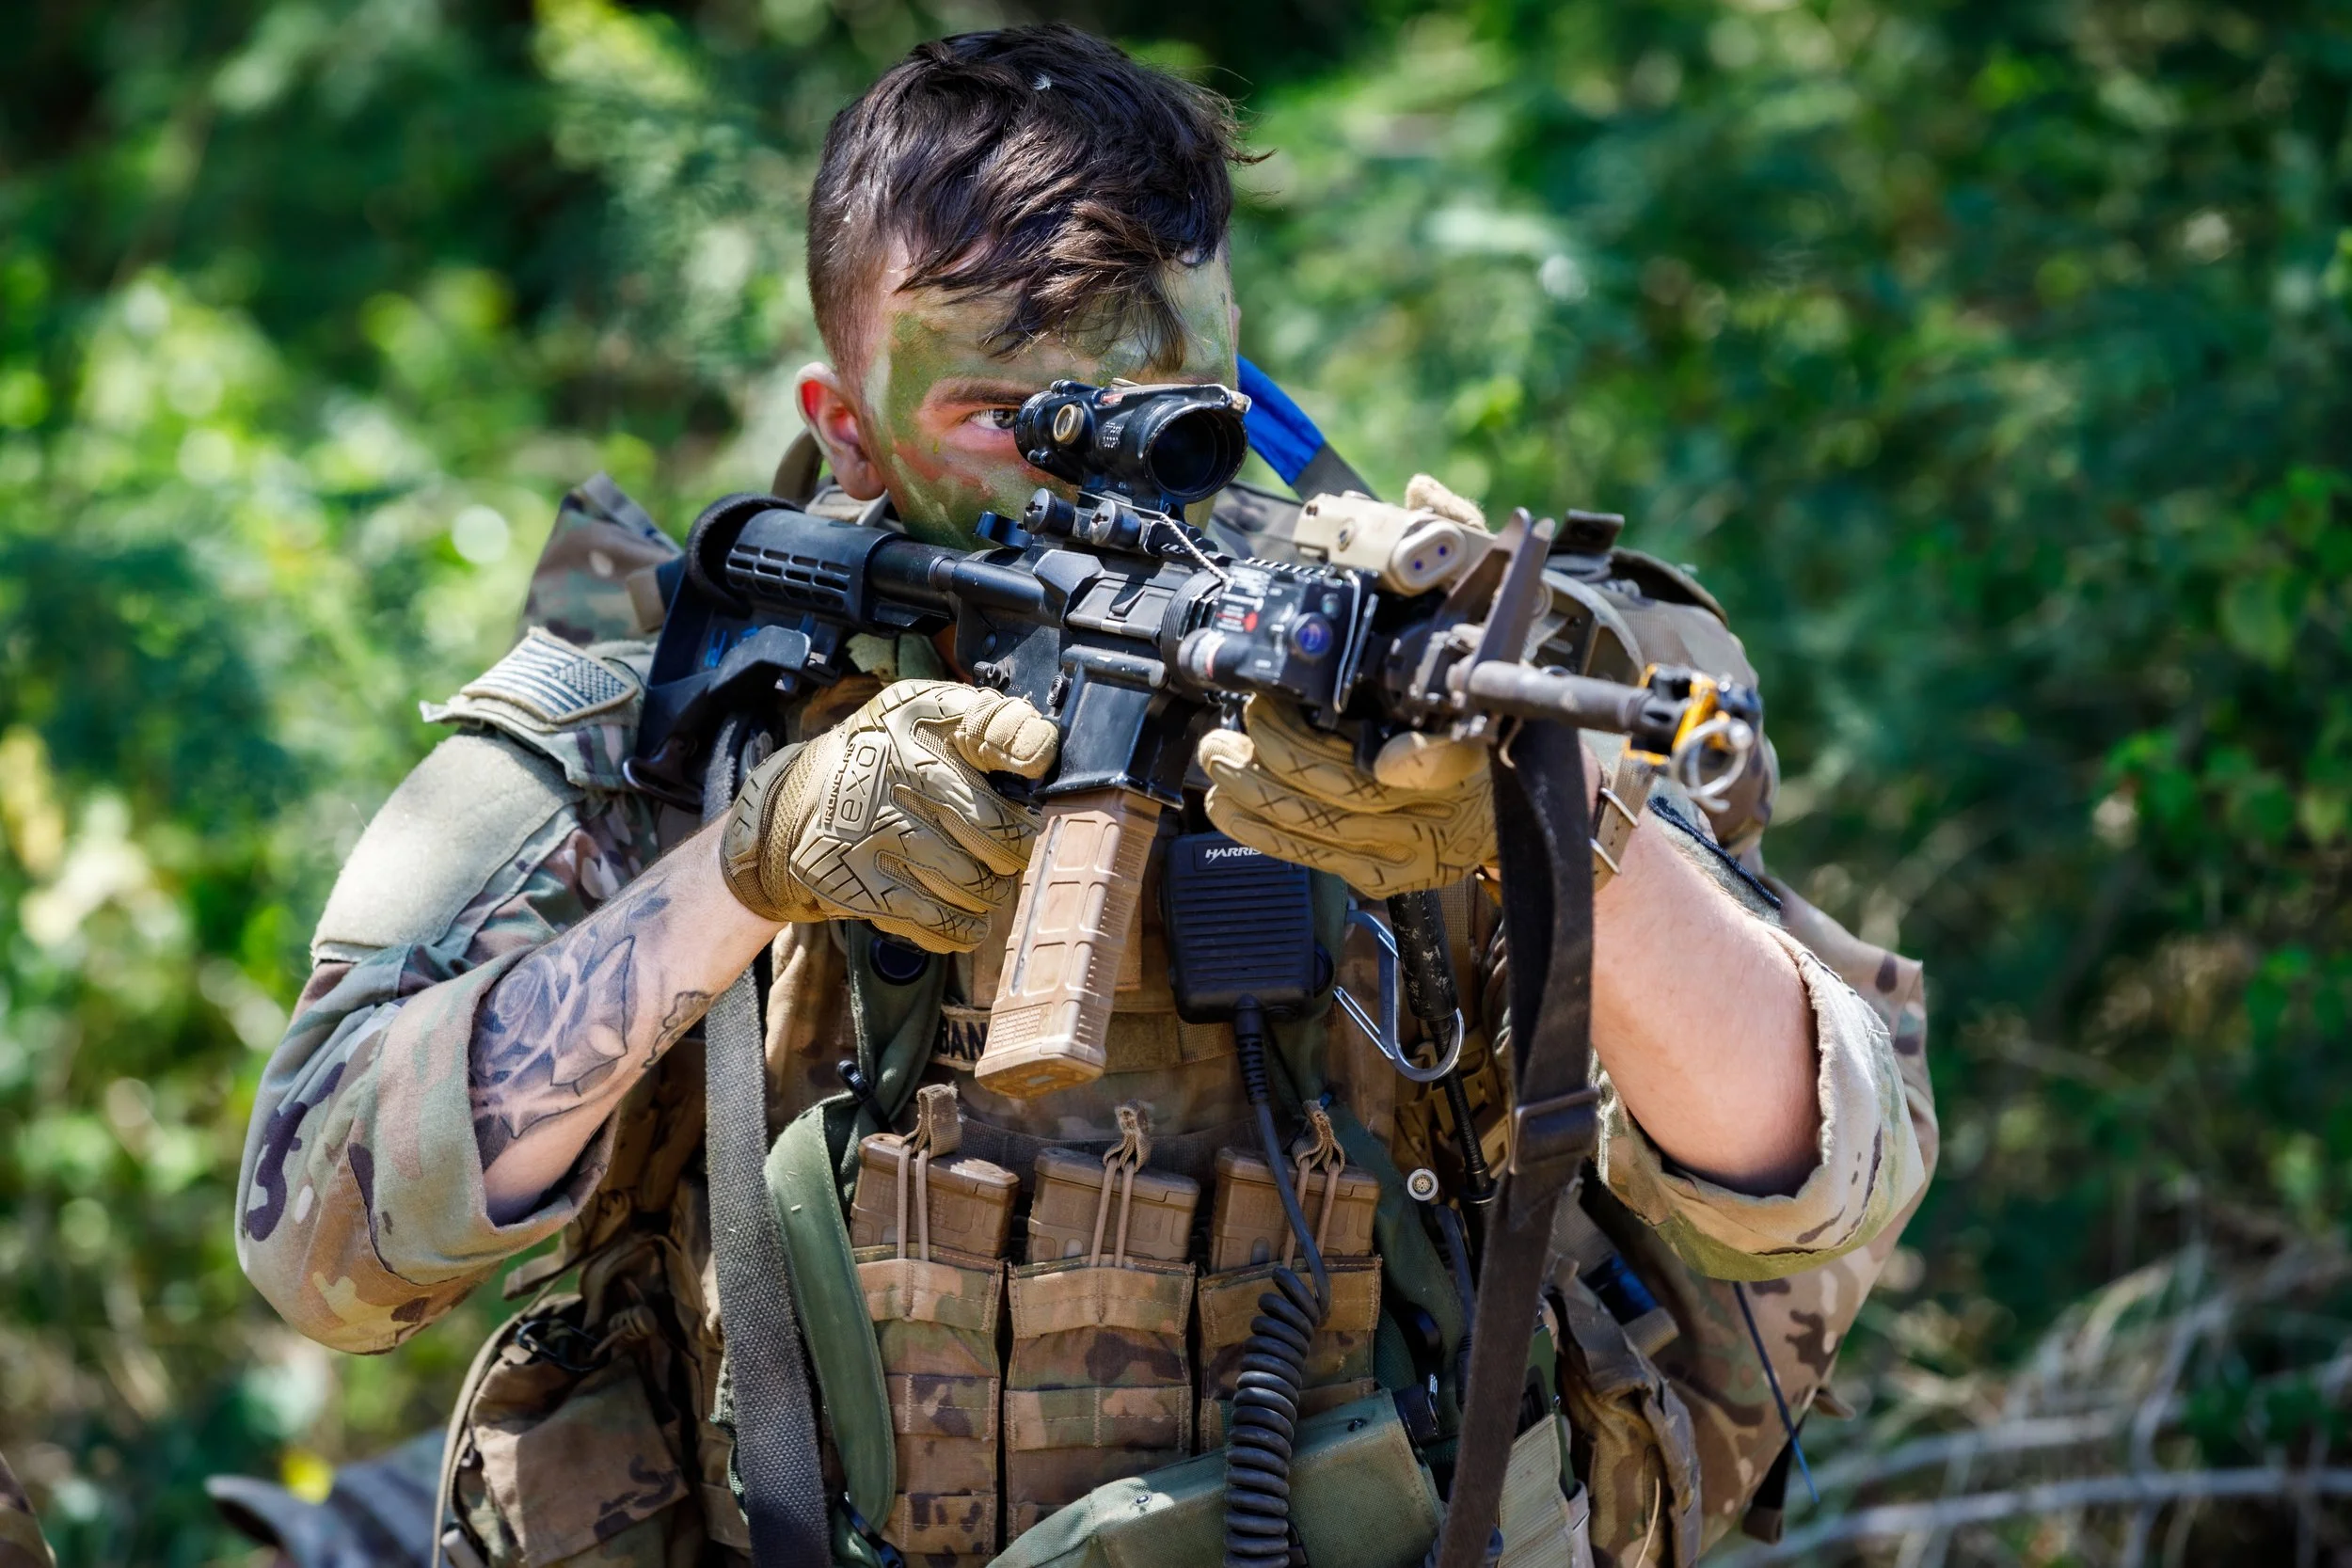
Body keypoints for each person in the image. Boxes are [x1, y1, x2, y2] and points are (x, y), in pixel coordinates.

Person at [234, 25, 1935, 1568]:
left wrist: (1563, 833)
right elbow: (319, 1236)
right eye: (1003, 412)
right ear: (844, 429)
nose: (1089, 467)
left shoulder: (1426, 659)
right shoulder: (690, 699)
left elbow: (1827, 1171)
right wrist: (750, 868)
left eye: (1155, 409)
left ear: (1234, 360)